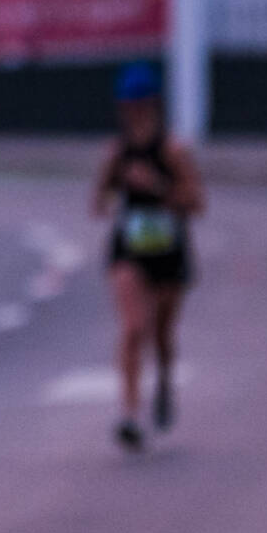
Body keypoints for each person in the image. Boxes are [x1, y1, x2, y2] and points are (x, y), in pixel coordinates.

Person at [89, 62, 204, 453]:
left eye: (141, 104)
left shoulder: (172, 151)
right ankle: (129, 414)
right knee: (133, 326)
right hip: (130, 251)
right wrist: (108, 191)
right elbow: (98, 203)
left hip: (168, 252)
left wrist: (156, 186)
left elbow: (196, 202)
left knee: (162, 335)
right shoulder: (118, 153)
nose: (134, 112)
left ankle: (164, 382)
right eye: (128, 105)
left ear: (154, 105)